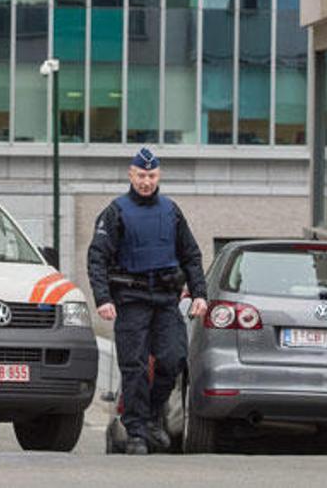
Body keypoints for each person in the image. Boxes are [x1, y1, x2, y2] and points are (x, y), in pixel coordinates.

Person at [87, 147, 208, 455]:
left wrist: (199, 294)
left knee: (174, 359)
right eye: (141, 175)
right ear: (131, 174)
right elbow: (97, 258)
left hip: (166, 300)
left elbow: (191, 255)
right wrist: (103, 298)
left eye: (151, 176)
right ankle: (137, 432)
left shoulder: (171, 211)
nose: (146, 181)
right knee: (135, 367)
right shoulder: (116, 211)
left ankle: (152, 414)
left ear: (159, 176)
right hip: (131, 300)